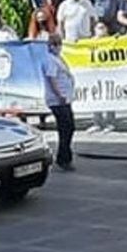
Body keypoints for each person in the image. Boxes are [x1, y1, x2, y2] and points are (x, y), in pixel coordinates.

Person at [41, 34, 75, 171]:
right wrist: (59, 94)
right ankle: (63, 158)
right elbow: (52, 78)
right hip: (57, 100)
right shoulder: (50, 60)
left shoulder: (58, 58)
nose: (57, 46)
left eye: (59, 43)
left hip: (64, 99)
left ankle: (64, 156)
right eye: (55, 44)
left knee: (69, 127)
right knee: (66, 128)